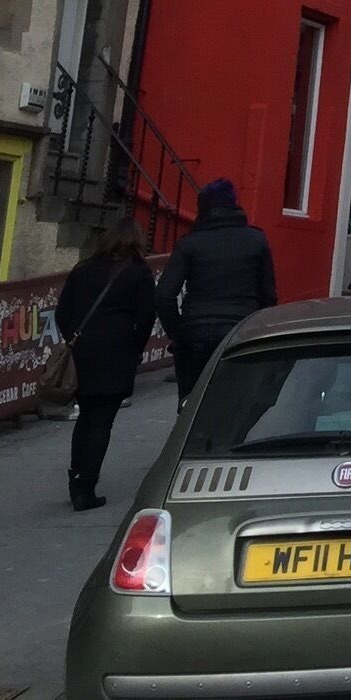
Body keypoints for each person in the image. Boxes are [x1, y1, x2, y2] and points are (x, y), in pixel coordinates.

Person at [58, 219, 156, 511]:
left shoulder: (83, 270)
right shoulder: (138, 273)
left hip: (83, 353)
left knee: (85, 416)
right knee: (102, 421)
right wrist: (135, 348)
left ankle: (76, 480)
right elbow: (146, 317)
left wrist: (74, 340)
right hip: (117, 353)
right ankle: (87, 486)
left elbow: (63, 312)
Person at [157, 179, 276, 400]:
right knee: (236, 402)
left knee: (192, 402)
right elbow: (268, 294)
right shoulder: (256, 240)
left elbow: (164, 295)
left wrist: (178, 333)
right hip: (242, 327)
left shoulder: (190, 243)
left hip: (196, 331)